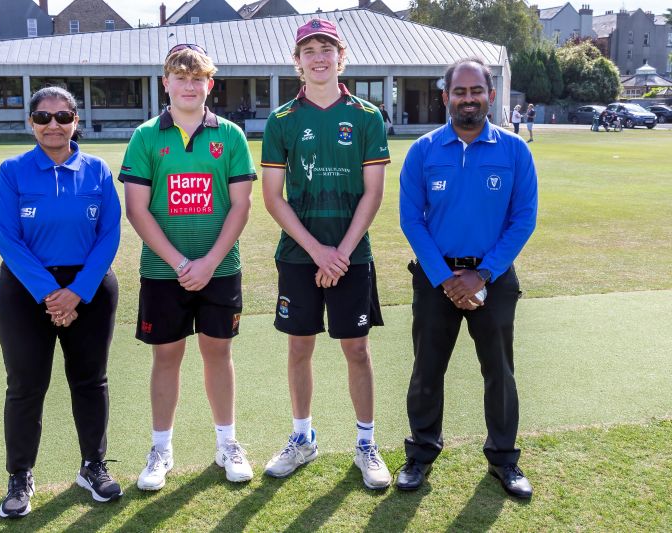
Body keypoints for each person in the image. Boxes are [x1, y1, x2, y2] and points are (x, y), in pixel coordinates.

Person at [398, 58, 538, 499]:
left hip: (492, 278)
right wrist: (447, 279)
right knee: (427, 370)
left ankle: (504, 458)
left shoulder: (514, 150)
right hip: (435, 278)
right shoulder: (423, 150)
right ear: (446, 97)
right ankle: (420, 454)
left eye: (476, 90)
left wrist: (482, 274)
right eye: (459, 91)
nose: (468, 99)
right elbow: (411, 220)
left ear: (490, 96)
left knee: (499, 372)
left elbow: (523, 219)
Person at [261, 18, 392, 490]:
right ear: (297, 61)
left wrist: (341, 254)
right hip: (300, 255)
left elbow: (373, 194)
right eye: (309, 50)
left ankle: (366, 444)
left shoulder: (367, 116)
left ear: (342, 56)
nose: (319, 57)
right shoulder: (281, 120)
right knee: (300, 346)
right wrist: (318, 251)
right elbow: (272, 197)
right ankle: (302, 438)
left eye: (327, 48)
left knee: (356, 348)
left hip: (352, 255)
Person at [120, 43, 256, 490]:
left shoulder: (230, 136)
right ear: (166, 83)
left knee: (218, 353)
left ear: (209, 84)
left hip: (220, 268)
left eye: (198, 78)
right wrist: (181, 263)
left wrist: (209, 262)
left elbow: (241, 205)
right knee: (166, 356)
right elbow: (136, 209)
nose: (189, 86)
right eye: (181, 78)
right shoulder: (145, 137)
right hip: (164, 273)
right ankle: (161, 449)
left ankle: (227, 444)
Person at [0, 86, 123, 518]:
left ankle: (92, 466)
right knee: (26, 385)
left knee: (90, 381)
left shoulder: (97, 170)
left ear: (75, 122)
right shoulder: (12, 170)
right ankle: (20, 475)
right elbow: (6, 237)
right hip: (25, 291)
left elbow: (110, 234)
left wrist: (77, 292)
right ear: (31, 122)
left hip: (89, 288)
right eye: (43, 117)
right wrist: (51, 293)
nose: (53, 125)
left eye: (63, 116)